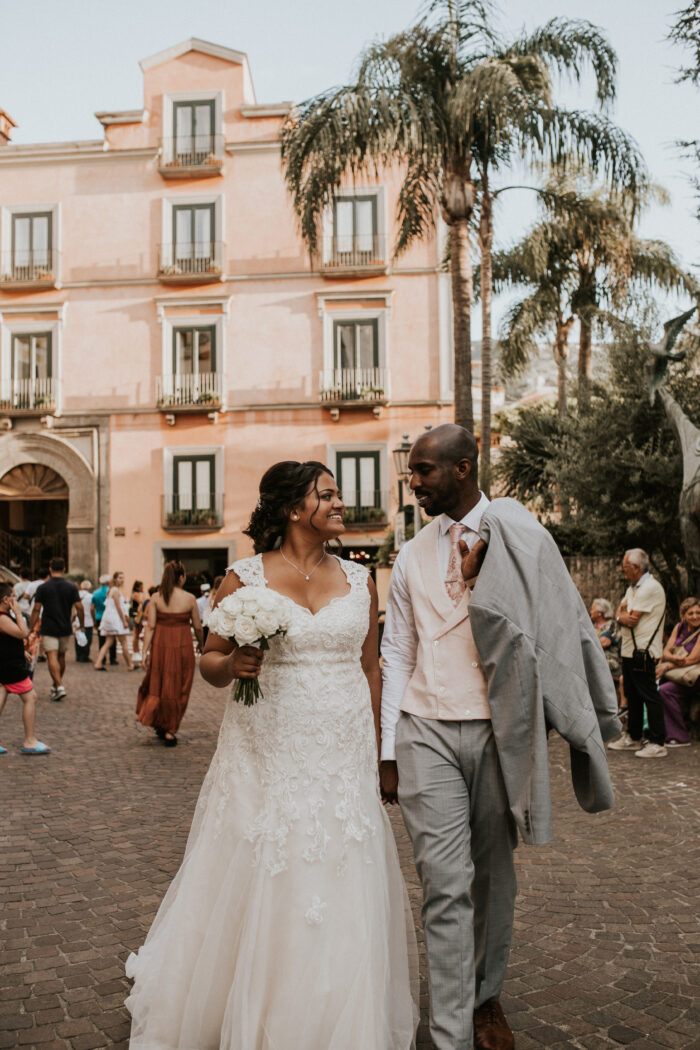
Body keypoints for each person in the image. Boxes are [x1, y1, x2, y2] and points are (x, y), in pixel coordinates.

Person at [126, 462, 417, 1050]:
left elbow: (369, 667)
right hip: (268, 746)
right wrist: (232, 666)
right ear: (292, 508)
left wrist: (381, 749)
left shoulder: (361, 581)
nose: (340, 503)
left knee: (339, 858)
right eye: (327, 495)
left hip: (340, 744)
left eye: (337, 494)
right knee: (266, 857)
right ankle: (250, 1001)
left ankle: (334, 1003)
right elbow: (209, 658)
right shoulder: (243, 579)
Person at [380, 424, 620, 1050]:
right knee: (442, 879)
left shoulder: (525, 538)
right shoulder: (408, 555)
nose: (414, 482)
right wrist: (387, 748)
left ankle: (487, 997)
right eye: (412, 470)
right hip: (424, 727)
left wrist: (486, 577)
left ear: (463, 468)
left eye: (425, 470)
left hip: (498, 730)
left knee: (492, 875)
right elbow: (397, 652)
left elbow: (553, 627)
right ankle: (453, 1031)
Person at [134, 561, 203, 747]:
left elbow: (150, 626)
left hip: (160, 645)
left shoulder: (156, 597)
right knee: (181, 684)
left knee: (159, 684)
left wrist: (144, 651)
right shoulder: (190, 598)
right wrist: (203, 645)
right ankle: (170, 729)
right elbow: (197, 626)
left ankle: (161, 723)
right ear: (181, 577)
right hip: (182, 645)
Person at [609, 549, 667, 758]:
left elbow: (631, 617)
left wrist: (623, 615)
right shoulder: (633, 588)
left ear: (635, 567)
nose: (623, 571)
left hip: (643, 650)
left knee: (649, 695)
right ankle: (634, 737)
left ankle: (657, 741)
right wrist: (621, 616)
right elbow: (620, 613)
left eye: (625, 567)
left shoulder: (650, 588)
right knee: (633, 695)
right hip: (630, 650)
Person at [0, 582, 50, 755]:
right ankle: (30, 740)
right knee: (31, 698)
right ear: (6, 599)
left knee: (1, 698)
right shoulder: (3, 618)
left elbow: (7, 640)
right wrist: (19, 614)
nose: (16, 598)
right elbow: (23, 632)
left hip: (7, 662)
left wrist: (21, 652)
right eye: (13, 595)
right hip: (10, 667)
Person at [29, 557, 84, 702]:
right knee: (61, 657)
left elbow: (36, 609)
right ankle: (56, 686)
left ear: (50, 569)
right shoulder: (71, 587)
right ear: (64, 569)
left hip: (48, 626)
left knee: (51, 656)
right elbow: (79, 607)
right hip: (65, 626)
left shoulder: (43, 588)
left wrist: (30, 628)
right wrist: (82, 625)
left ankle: (59, 686)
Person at [656, 596, 700, 747]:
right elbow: (666, 651)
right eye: (691, 613)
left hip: (693, 677)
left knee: (665, 691)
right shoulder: (679, 627)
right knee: (651, 686)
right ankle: (655, 731)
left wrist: (668, 665)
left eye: (698, 613)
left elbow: (693, 659)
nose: (695, 616)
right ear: (684, 615)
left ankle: (680, 736)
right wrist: (674, 658)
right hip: (679, 672)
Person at [94, 571, 134, 671]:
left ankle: (98, 663)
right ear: (115, 579)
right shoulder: (115, 590)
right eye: (120, 578)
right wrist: (124, 621)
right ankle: (130, 665)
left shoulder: (112, 590)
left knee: (108, 642)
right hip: (115, 619)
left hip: (110, 618)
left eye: (123, 578)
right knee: (123, 642)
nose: (122, 580)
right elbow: (118, 607)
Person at [589, 597, 623, 709]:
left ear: (600, 612)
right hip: (596, 662)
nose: (590, 612)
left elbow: (604, 642)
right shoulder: (592, 627)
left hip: (610, 663)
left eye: (593, 609)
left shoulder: (611, 625)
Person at [92, 574, 118, 665]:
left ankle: (102, 659)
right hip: (110, 617)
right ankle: (112, 658)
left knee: (101, 639)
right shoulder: (110, 591)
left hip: (99, 616)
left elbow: (92, 607)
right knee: (112, 639)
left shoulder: (95, 593)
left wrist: (93, 619)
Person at [74, 580, 94, 662]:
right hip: (88, 620)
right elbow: (92, 609)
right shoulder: (91, 596)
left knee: (78, 638)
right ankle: (85, 656)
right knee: (87, 639)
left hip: (77, 619)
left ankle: (78, 655)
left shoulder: (76, 595)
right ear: (89, 588)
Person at [129, 580, 146, 663]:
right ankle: (135, 651)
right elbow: (141, 602)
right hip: (137, 615)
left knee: (138, 633)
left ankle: (137, 651)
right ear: (137, 587)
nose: (143, 588)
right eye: (141, 586)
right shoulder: (136, 594)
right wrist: (142, 596)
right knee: (136, 634)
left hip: (139, 615)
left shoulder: (138, 594)